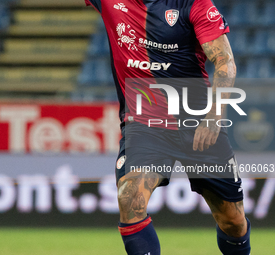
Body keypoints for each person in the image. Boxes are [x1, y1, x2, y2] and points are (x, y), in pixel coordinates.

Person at [85, 0, 251, 254]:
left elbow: (224, 62)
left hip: (197, 124)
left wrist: (214, 116)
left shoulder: (193, 4)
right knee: (130, 199)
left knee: (233, 222)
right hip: (144, 125)